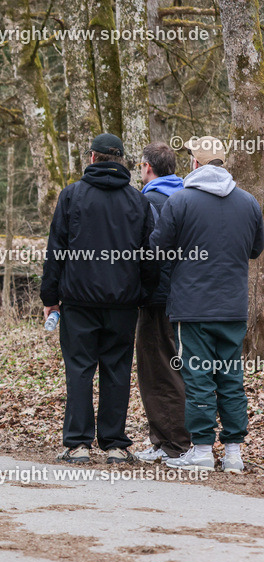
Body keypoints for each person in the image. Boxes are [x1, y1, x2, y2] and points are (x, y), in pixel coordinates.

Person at [40, 133, 158, 465]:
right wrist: (144, 294)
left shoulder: (72, 196)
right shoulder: (138, 201)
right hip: (123, 302)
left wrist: (50, 297)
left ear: (92, 158)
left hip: (78, 300)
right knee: (117, 369)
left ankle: (78, 445)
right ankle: (115, 445)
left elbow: (56, 251)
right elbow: (151, 256)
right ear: (121, 161)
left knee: (79, 369)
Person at [151, 136, 264, 473]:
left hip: (192, 306)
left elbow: (158, 249)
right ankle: (233, 454)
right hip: (232, 307)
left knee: (198, 376)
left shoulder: (180, 200)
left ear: (194, 163)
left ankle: (200, 450)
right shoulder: (249, 203)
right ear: (222, 162)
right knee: (231, 376)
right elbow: (255, 250)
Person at [133, 142, 190, 463]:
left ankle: (174, 443)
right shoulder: (184, 196)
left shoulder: (149, 200)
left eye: (141, 166)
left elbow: (149, 254)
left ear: (147, 167)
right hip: (184, 295)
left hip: (158, 299)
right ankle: (162, 439)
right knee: (170, 366)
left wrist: (143, 291)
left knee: (159, 370)